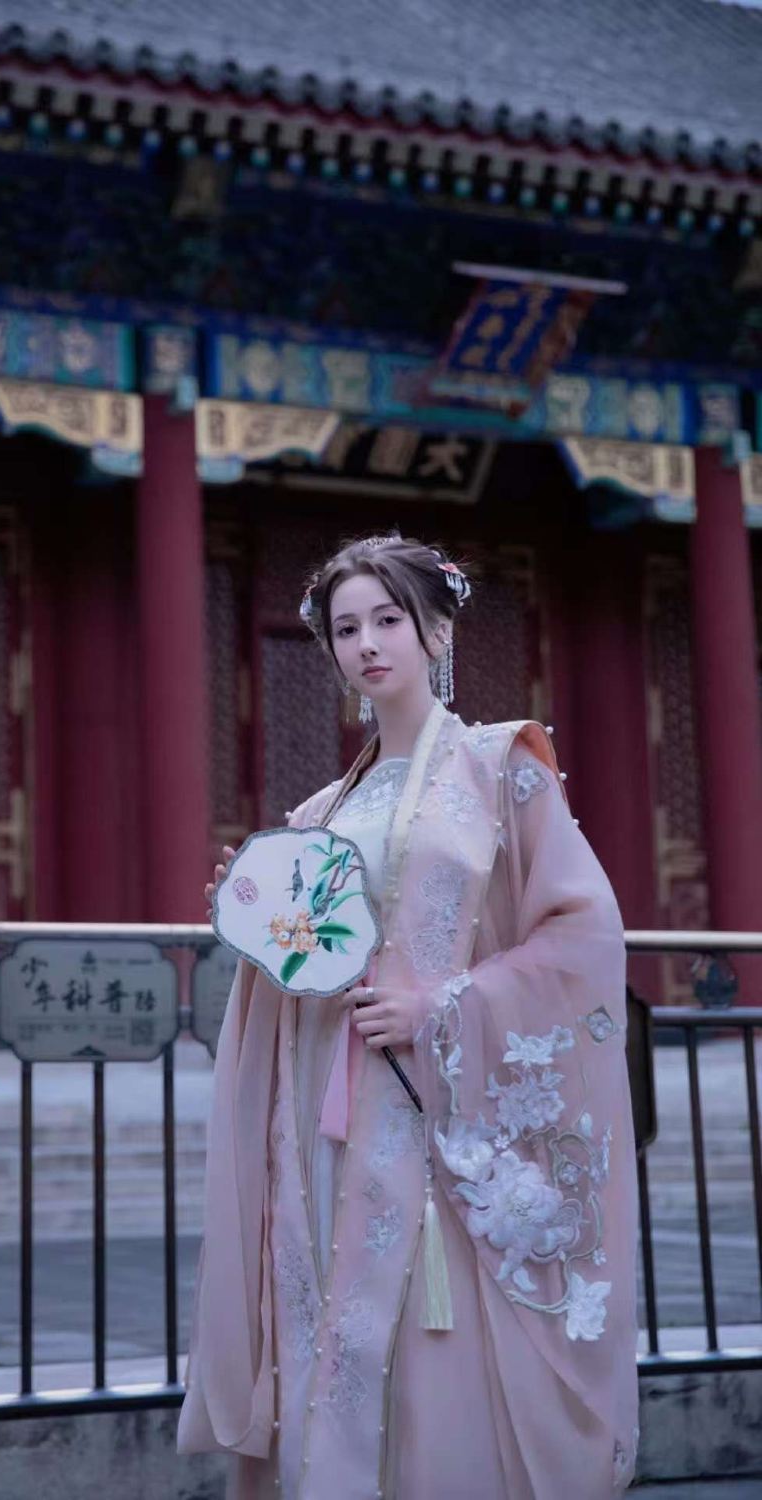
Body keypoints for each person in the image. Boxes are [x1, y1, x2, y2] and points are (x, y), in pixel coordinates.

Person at [178, 534, 639, 1499]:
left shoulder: (498, 766)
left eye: (388, 620)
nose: (366, 644)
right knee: (320, 1293)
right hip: (318, 1096)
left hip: (429, 1091)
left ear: (436, 630)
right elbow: (309, 958)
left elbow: (582, 935)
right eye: (345, 628)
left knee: (423, 1321)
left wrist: (442, 1007)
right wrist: (256, 912)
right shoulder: (318, 811)